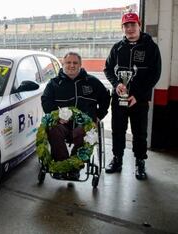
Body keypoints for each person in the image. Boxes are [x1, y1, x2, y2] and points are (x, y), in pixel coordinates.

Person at [104, 12, 161, 180]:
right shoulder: (117, 47)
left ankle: (140, 162)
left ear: (139, 25)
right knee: (118, 130)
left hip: (139, 100)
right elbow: (107, 69)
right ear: (123, 28)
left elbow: (155, 74)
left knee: (140, 132)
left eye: (132, 24)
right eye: (126, 25)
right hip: (119, 98)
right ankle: (117, 159)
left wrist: (138, 95)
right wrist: (117, 84)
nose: (129, 28)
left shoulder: (150, 47)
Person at [41, 52, 111, 179]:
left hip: (84, 124)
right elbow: (46, 101)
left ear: (80, 65)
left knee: (86, 131)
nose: (71, 65)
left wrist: (98, 116)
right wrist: (56, 116)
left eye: (75, 63)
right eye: (68, 62)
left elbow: (106, 99)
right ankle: (62, 165)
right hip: (63, 124)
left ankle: (75, 166)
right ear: (62, 64)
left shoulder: (92, 82)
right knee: (52, 128)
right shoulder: (54, 83)